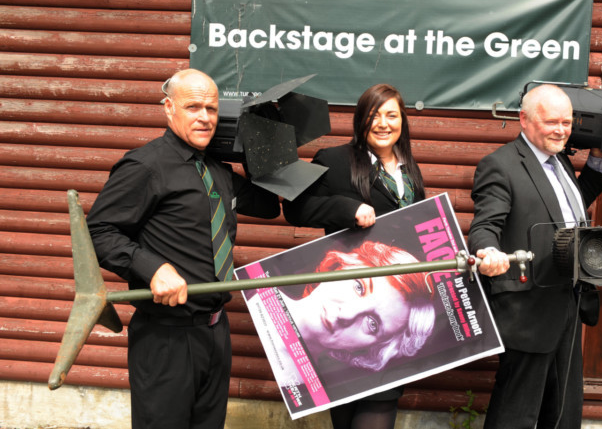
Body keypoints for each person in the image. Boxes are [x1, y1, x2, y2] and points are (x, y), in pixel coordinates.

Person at [86, 68, 280, 429]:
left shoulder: (217, 171)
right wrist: (151, 268)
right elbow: (98, 231)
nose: (205, 117)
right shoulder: (145, 165)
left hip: (215, 332)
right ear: (168, 108)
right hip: (166, 337)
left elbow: (270, 206)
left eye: (212, 108)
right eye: (193, 107)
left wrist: (260, 142)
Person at [468, 84, 602, 428]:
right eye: (552, 122)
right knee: (516, 415)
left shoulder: (559, 159)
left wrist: (598, 161)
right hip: (527, 311)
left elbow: (566, 208)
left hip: (568, 303)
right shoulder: (500, 166)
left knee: (563, 412)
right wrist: (488, 250)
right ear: (524, 119)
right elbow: (486, 223)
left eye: (567, 122)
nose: (562, 130)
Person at [282, 84, 425, 429]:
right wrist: (348, 208)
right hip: (344, 305)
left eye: (391, 115)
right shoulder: (333, 160)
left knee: (381, 405)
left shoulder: (410, 172)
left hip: (384, 320)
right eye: (375, 115)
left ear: (402, 122)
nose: (383, 123)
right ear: (361, 119)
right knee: (345, 418)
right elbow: (296, 210)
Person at [246, 241, 435, 393]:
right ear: (341, 265)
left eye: (372, 324)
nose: (347, 314)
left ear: (374, 349)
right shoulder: (252, 290)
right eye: (359, 287)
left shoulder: (309, 393)